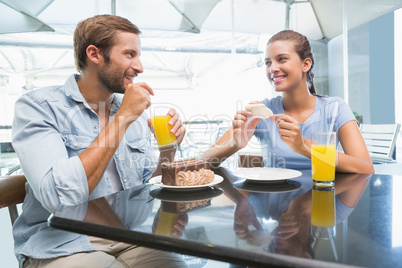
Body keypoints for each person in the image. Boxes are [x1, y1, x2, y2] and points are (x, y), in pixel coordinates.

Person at [11, 15, 187, 267]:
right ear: (94, 54)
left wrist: (168, 150)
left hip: (130, 234)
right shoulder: (38, 107)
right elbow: (57, 196)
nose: (139, 67)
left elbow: (147, 189)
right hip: (63, 242)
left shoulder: (131, 112)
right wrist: (124, 117)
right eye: (129, 54)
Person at [201, 30, 374, 174]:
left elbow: (366, 168)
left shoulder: (335, 108)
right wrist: (233, 144)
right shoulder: (262, 111)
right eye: (268, 63)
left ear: (306, 64)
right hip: (276, 207)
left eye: (281, 59)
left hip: (323, 202)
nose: (272, 68)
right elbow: (202, 161)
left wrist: (303, 147)